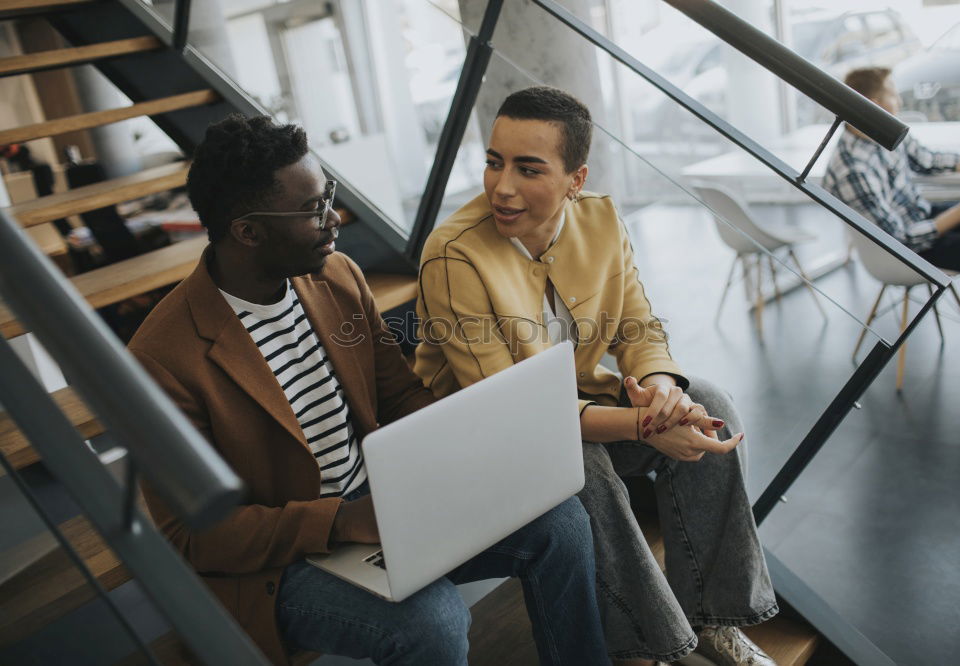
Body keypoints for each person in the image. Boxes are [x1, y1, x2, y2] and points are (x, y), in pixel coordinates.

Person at [127, 114, 609, 666]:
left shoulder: (336, 276)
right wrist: (341, 520)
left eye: (326, 193)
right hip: (286, 561)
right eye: (312, 209)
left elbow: (398, 396)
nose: (333, 217)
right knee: (433, 621)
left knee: (563, 522)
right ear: (248, 231)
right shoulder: (161, 359)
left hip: (384, 504)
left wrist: (472, 448)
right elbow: (196, 537)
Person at [413, 86, 778, 666]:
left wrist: (661, 393)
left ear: (575, 180)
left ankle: (714, 621)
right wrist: (641, 426)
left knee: (708, 400)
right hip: (483, 445)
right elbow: (513, 414)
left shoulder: (601, 219)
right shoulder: (453, 255)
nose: (501, 186)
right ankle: (654, 646)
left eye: (528, 169)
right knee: (578, 463)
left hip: (572, 414)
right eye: (493, 161)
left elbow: (639, 327)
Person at [823, 66, 960, 273]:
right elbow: (900, 241)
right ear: (873, 105)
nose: (900, 101)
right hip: (911, 250)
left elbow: (928, 160)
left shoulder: (882, 131)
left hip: (923, 216)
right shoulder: (853, 171)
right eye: (894, 95)